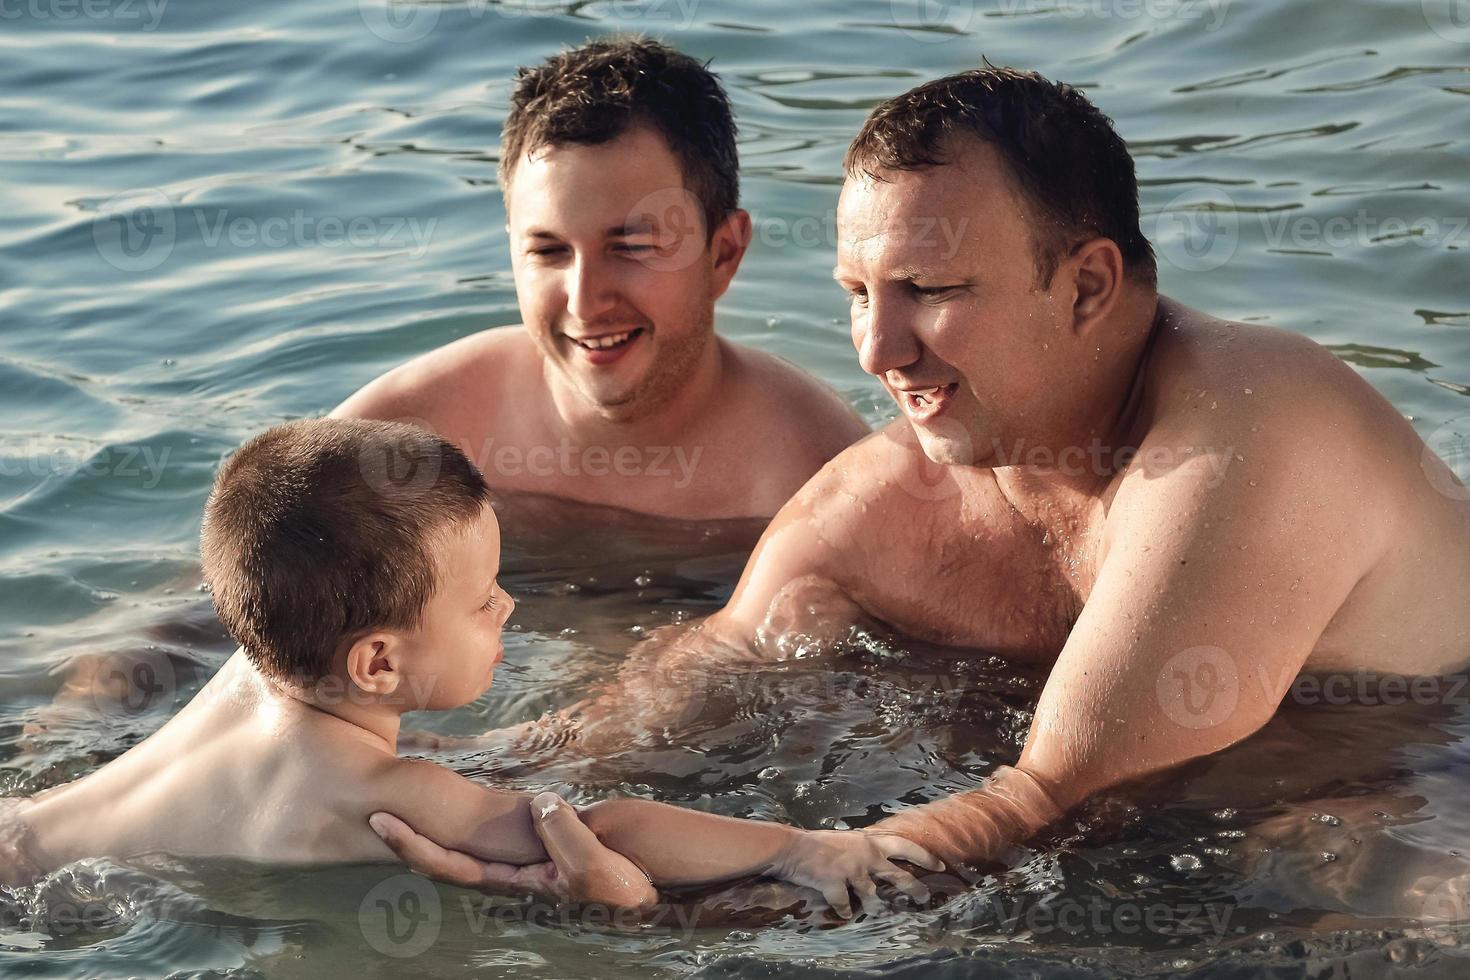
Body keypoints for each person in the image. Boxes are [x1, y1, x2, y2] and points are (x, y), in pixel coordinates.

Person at [376, 66, 1470, 895]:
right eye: (858, 290)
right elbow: (682, 685)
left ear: (1088, 283)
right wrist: (407, 784)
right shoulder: (887, 494)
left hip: (1423, 779)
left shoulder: (1249, 431)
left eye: (929, 289)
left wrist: (655, 913)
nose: (876, 349)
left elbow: (1044, 804)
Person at [0, 419, 941, 918]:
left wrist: (482, 748)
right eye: (484, 598)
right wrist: (806, 848)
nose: (509, 607)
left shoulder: (253, 673)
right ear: (376, 661)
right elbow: (596, 828)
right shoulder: (370, 789)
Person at [334, 38, 867, 520]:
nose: (586, 303)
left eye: (632, 247)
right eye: (548, 250)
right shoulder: (413, 435)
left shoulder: (818, 479)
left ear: (723, 254)